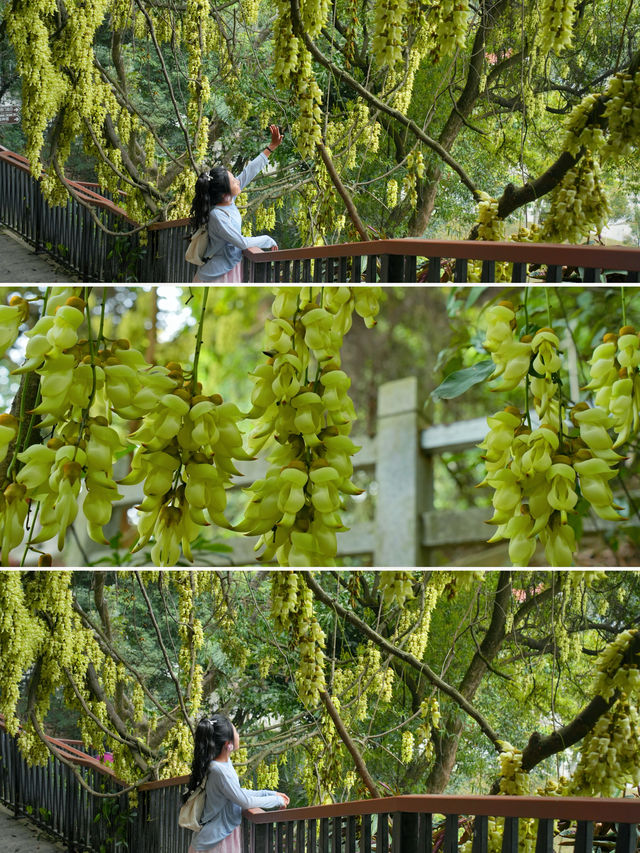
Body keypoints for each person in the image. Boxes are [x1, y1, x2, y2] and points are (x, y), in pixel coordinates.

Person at [184, 713, 289, 853]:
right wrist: (277, 800)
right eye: (236, 732)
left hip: (221, 837)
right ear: (228, 744)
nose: (239, 735)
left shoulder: (224, 765)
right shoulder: (218, 771)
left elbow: (237, 793)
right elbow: (244, 802)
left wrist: (270, 793)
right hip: (215, 842)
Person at [190, 126, 283, 283]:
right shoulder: (217, 215)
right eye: (233, 180)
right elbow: (240, 242)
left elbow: (250, 170)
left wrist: (271, 147)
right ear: (224, 192)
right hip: (216, 275)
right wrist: (267, 239)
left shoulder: (228, 200)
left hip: (229, 267)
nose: (238, 180)